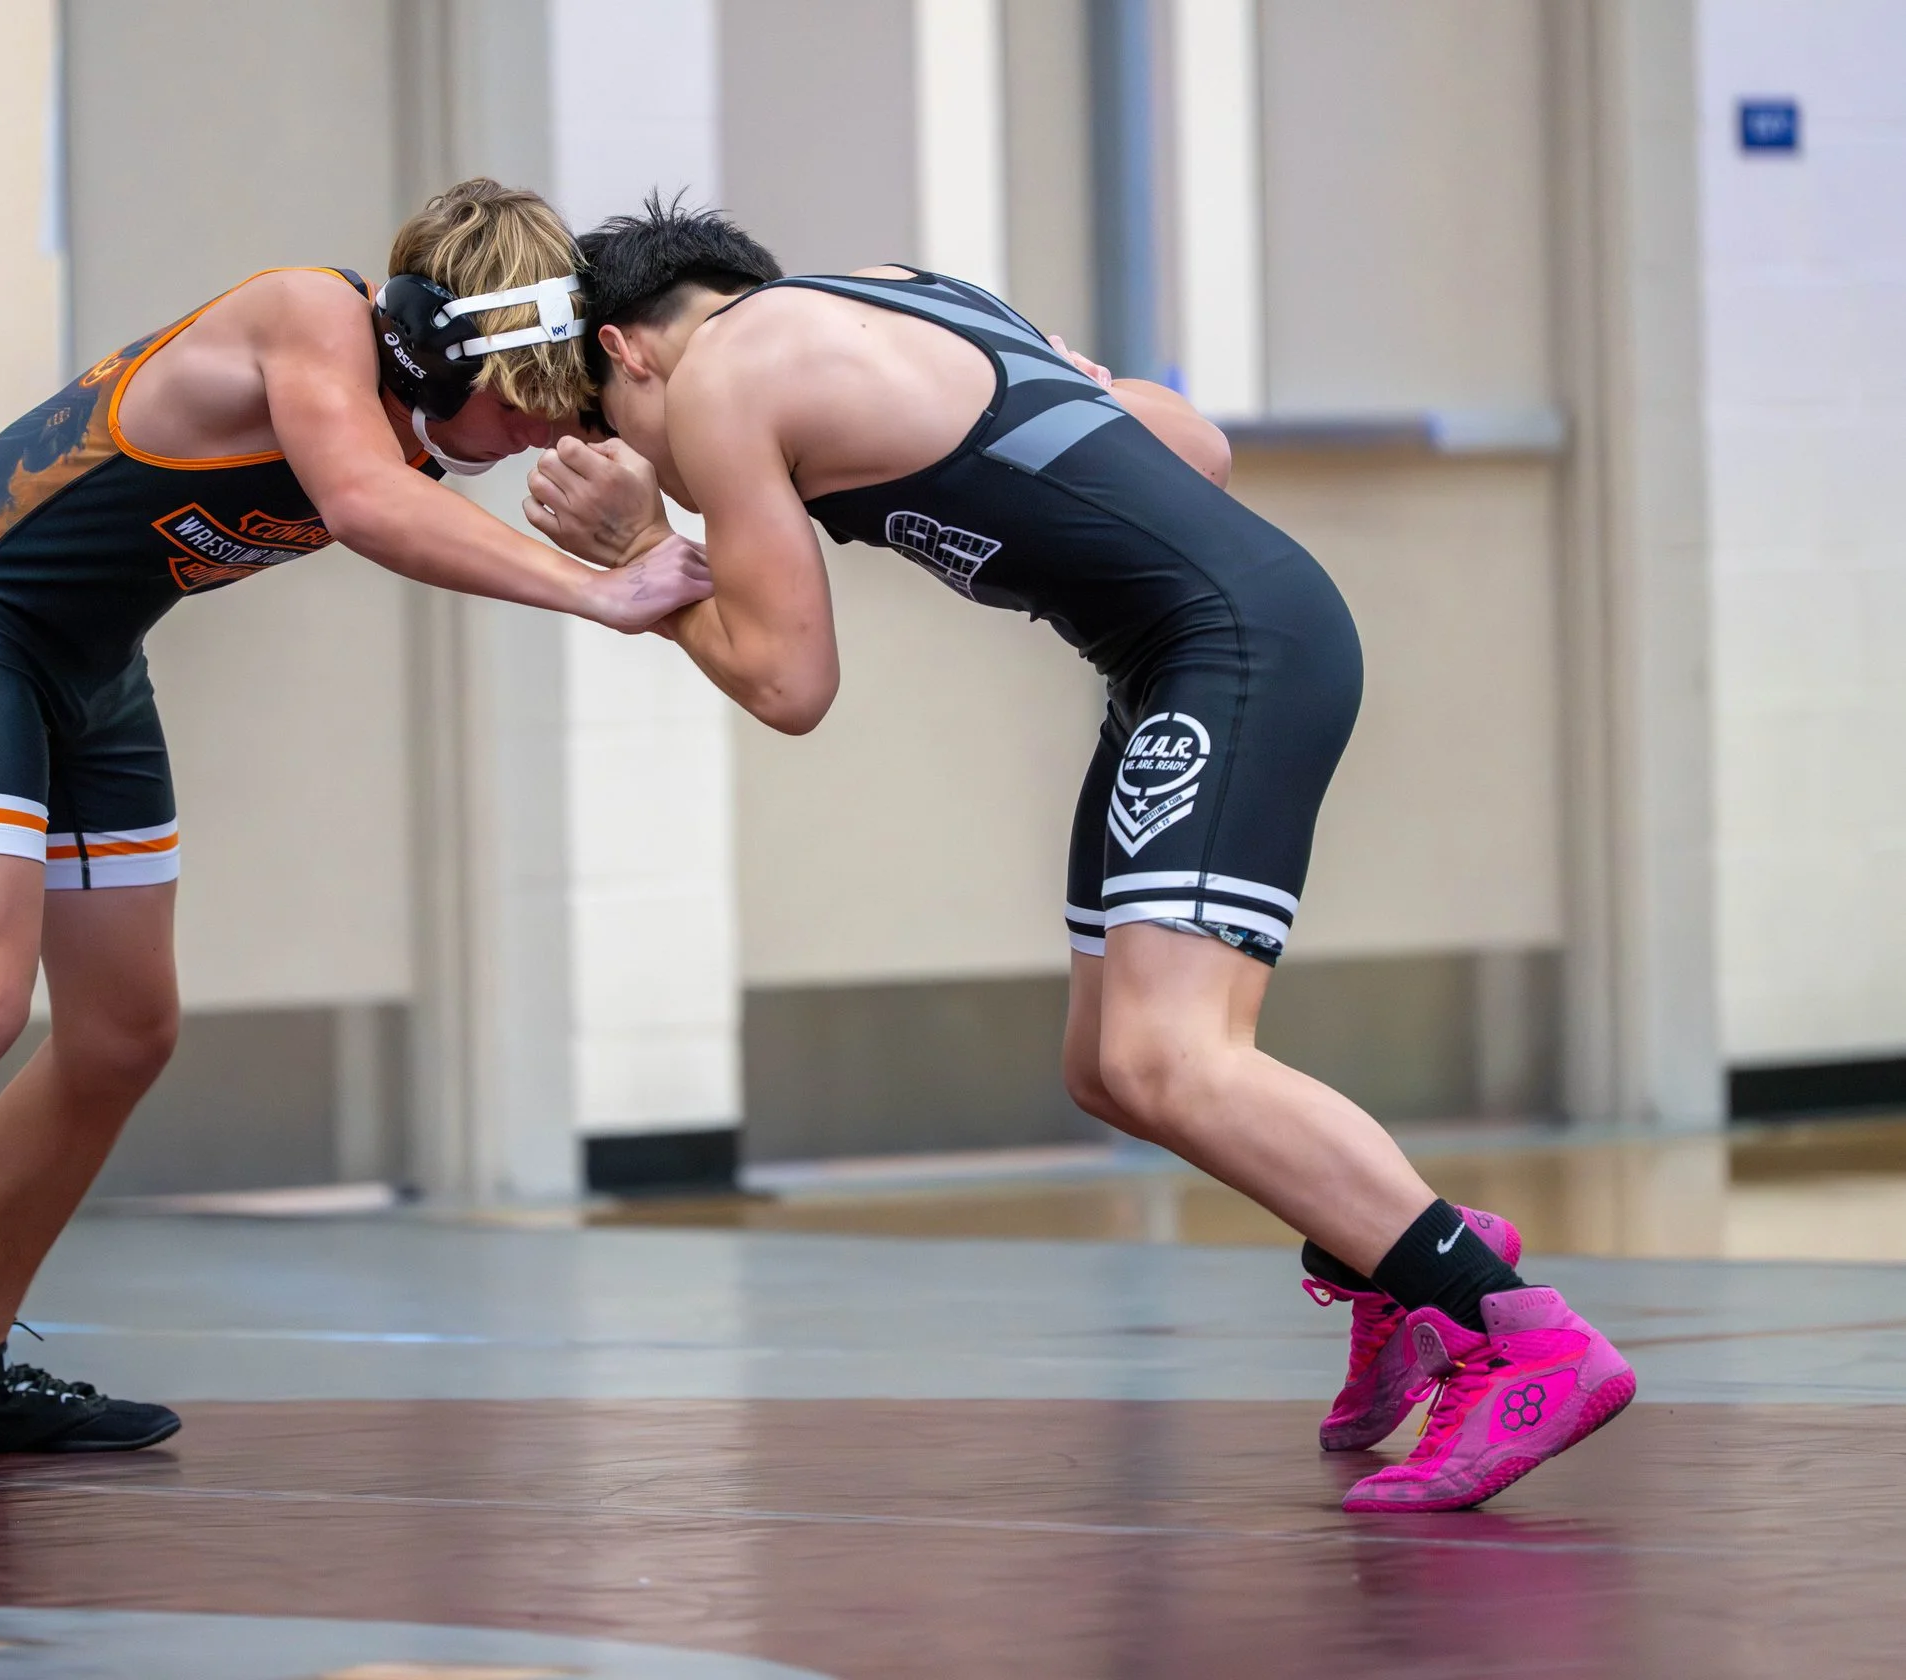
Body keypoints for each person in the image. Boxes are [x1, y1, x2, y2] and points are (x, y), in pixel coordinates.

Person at [526, 199, 1633, 1513]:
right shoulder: (896, 293)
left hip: (1224, 652)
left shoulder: (717, 376)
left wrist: (646, 557)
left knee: (1173, 1056)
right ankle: (1396, 1253)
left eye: (600, 424)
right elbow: (1195, 443)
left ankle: (1518, 1333)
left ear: (628, 352)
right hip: (1195, 651)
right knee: (1113, 1065)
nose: (627, 454)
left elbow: (790, 686)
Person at [0, 179, 703, 1503]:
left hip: (94, 659)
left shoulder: (432, 397)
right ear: (437, 343)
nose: (516, 438)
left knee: (122, 1032)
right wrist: (601, 590)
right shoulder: (306, 317)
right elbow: (374, 507)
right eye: (511, 401)